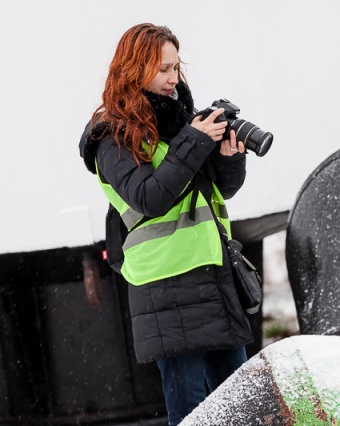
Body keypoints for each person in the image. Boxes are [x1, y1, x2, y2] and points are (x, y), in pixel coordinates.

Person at [78, 23, 253, 425]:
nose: (173, 78)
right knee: (191, 412)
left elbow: (219, 191)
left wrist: (228, 155)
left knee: (243, 407)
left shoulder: (179, 122)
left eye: (176, 67)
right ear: (133, 70)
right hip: (167, 289)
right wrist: (194, 141)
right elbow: (150, 197)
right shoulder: (113, 137)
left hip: (212, 274)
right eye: (162, 70)